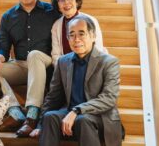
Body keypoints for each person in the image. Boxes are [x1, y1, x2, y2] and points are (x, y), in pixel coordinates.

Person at [31, 14, 123, 146]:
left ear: (93, 36)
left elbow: (108, 98)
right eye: (72, 35)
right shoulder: (63, 61)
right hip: (71, 113)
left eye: (81, 34)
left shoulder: (109, 62)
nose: (76, 39)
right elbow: (53, 97)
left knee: (83, 120)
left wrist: (77, 110)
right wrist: (40, 125)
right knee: (50, 117)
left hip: (100, 117)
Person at [0, 0, 59, 137]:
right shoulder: (8, 17)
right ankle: (15, 113)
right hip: (20, 64)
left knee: (34, 55)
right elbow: (3, 48)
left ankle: (32, 115)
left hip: (44, 63)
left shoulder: (52, 12)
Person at [50, 0, 105, 65]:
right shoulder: (56, 26)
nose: (66, 2)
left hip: (89, 66)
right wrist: (64, 70)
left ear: (77, 1)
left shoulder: (91, 20)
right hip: (66, 68)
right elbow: (55, 55)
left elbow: (98, 48)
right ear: (58, 6)